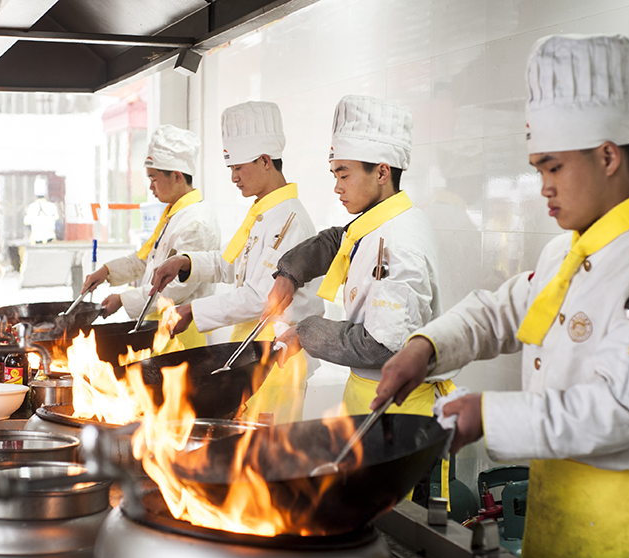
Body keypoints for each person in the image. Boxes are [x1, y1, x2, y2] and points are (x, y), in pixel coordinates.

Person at [373, 34, 629, 558]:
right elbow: (498, 313)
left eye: (553, 168)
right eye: (538, 169)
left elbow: (619, 410)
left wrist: (491, 415)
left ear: (607, 156)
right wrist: (425, 346)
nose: (543, 187)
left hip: (627, 533)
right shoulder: (564, 254)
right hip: (558, 517)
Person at [265, 95, 451, 418]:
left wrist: (307, 332)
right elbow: (339, 239)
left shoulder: (399, 242)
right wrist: (289, 272)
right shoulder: (380, 220)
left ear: (381, 173)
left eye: (344, 174)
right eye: (334, 175)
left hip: (399, 411)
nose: (337, 187)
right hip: (367, 399)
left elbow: (381, 345)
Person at [150, 101, 324, 424]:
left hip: (277, 358)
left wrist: (193, 311)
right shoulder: (262, 213)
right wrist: (185, 263)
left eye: (238, 168)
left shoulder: (289, 220)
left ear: (265, 161)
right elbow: (232, 266)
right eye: (230, 169)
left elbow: (260, 297)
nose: (233, 178)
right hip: (251, 351)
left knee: (265, 459)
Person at [82, 125, 220, 348]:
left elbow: (176, 287)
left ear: (176, 176)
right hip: (159, 329)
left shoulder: (196, 222)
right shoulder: (174, 214)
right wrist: (106, 271)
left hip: (181, 335)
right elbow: (147, 261)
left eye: (154, 179)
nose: (150, 187)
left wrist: (123, 300)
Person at [24, 176, 59, 244]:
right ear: (46, 196)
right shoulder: (52, 206)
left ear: (35, 196)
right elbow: (57, 223)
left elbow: (27, 224)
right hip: (50, 239)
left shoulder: (31, 207)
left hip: (36, 239)